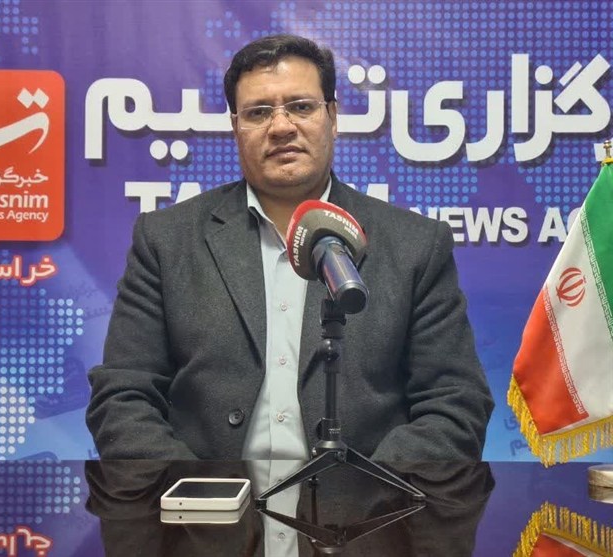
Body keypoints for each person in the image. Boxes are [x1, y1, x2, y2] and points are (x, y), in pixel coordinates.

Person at [86, 34, 493, 461]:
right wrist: (197, 491)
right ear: (235, 128)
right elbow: (122, 397)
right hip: (205, 502)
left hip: (367, 502)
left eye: (301, 107)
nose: (281, 127)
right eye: (258, 112)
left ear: (332, 117)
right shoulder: (166, 240)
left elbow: (456, 405)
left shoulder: (415, 246)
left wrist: (371, 493)